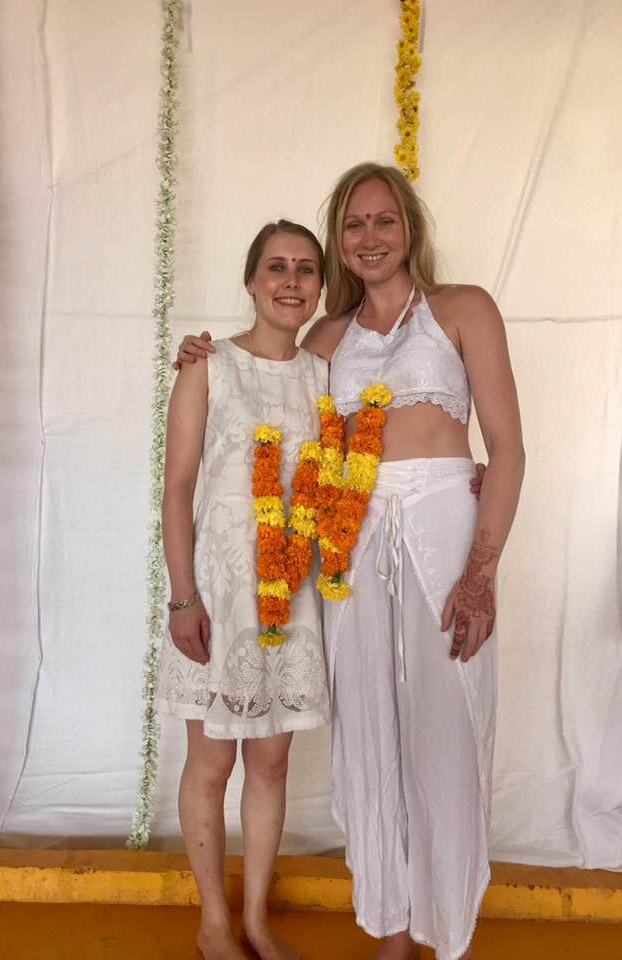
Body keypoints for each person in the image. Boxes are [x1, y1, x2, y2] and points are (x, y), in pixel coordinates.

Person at [174, 162, 524, 960]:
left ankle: (448, 928)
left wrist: (481, 569)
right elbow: (265, 375)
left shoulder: (465, 309)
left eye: (384, 220)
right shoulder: (326, 341)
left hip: (444, 534)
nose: (371, 237)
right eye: (355, 224)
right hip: (352, 543)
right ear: (341, 240)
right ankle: (394, 932)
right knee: (369, 730)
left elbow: (507, 448)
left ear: (409, 227)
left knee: (447, 727)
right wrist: (201, 354)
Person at [157, 220, 331, 960]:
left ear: (320, 286)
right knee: (211, 763)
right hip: (220, 594)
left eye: (306, 269)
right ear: (252, 281)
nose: (291, 281)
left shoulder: (324, 375)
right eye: (276, 267)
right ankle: (213, 924)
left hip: (293, 594)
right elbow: (178, 487)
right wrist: (183, 597)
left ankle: (256, 918)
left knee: (271, 762)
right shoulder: (209, 367)